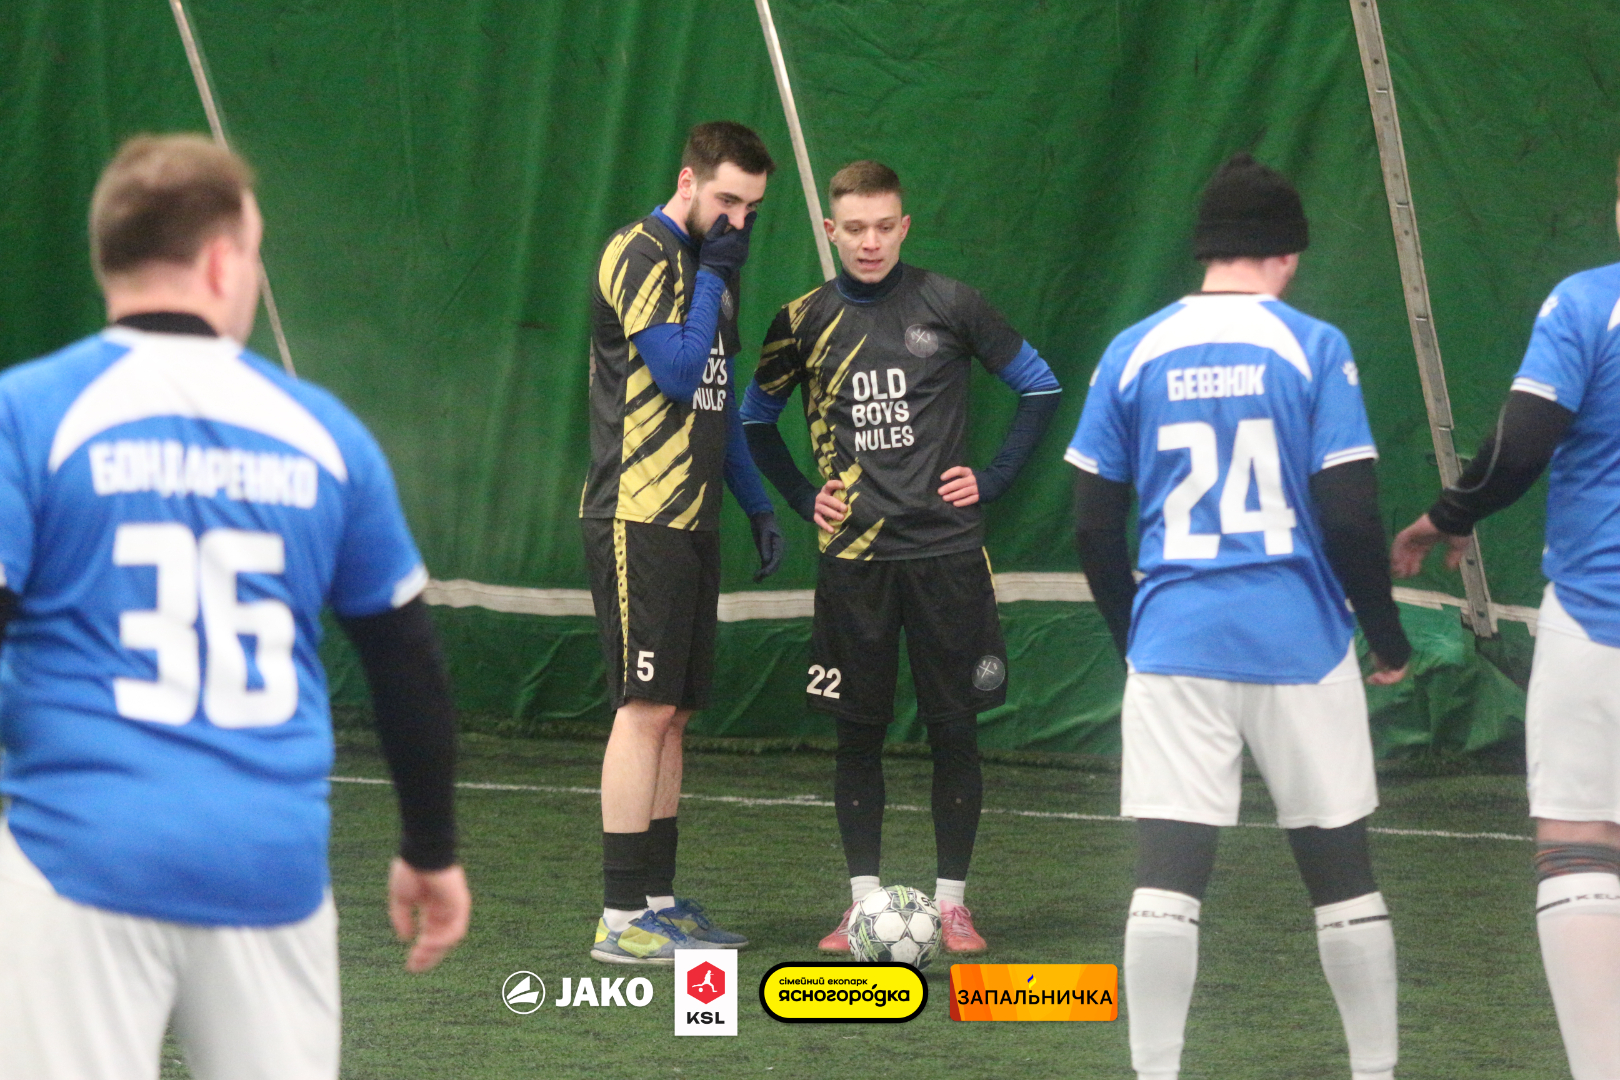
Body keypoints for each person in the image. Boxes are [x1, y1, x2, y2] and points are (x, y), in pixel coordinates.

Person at [0, 134, 469, 1080]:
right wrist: (430, 847)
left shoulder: (28, 413)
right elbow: (407, 662)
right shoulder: (326, 435)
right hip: (268, 868)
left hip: (78, 858)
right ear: (222, 262)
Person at [1068, 154, 1411, 1080]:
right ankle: (1374, 1071)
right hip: (1300, 641)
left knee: (1166, 879)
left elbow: (1092, 524)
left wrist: (1135, 637)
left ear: (1206, 250)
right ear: (1287, 254)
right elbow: (1351, 517)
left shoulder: (1133, 349)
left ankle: (1155, 1072)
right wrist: (1385, 639)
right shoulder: (1314, 346)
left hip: (1174, 642)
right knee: (1341, 876)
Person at [741, 160, 1062, 954]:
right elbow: (753, 420)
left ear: (904, 226)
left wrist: (991, 480)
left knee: (955, 729)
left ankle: (952, 905)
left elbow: (1041, 386)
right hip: (855, 562)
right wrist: (800, 494)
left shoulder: (951, 303)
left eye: (885, 226)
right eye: (855, 228)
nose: (871, 242)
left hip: (947, 556)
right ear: (831, 230)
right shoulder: (800, 320)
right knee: (858, 735)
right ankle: (862, 905)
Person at [1391, 158, 1620, 1080]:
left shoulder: (1588, 304)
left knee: (1579, 842)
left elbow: (1521, 445)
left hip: (1598, 622)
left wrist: (1448, 516)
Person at [581, 120, 783, 964]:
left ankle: (659, 902)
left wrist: (756, 503)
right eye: (728, 200)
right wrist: (714, 280)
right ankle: (619, 917)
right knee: (643, 710)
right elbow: (675, 369)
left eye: (752, 209)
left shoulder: (711, 269)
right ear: (689, 180)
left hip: (693, 518)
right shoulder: (640, 253)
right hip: (637, 512)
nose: (739, 221)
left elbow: (715, 396)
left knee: (676, 713)